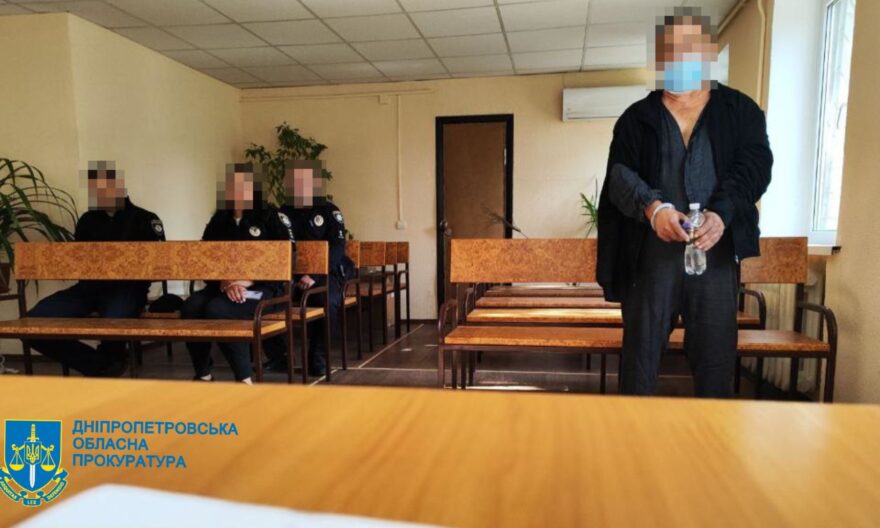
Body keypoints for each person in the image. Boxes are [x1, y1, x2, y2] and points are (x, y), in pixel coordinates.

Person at [597, 7, 773, 397]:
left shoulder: (740, 112)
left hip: (716, 255)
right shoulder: (636, 118)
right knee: (639, 364)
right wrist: (653, 208)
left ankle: (711, 435)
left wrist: (722, 214)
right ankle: (630, 434)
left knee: (715, 365)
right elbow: (619, 177)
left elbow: (755, 168)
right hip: (649, 259)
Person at [24, 160, 165, 377]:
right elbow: (78, 259)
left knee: (114, 319)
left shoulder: (145, 219)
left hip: (128, 288)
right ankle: (98, 365)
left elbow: (160, 261)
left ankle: (112, 360)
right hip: (88, 289)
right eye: (96, 188)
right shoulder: (87, 220)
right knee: (34, 322)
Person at [181, 163, 295, 384]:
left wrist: (247, 281)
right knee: (191, 307)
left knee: (219, 309)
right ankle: (203, 374)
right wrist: (225, 281)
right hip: (221, 286)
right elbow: (205, 257)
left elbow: (286, 259)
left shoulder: (271, 217)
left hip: (265, 288)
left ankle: (244, 379)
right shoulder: (219, 220)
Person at [264, 159, 352, 377]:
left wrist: (313, 275)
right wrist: (292, 276)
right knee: (263, 300)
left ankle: (318, 355)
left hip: (324, 273)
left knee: (327, 300)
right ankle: (280, 356)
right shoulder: (283, 212)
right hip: (290, 274)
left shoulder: (329, 210)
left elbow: (337, 247)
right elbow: (277, 248)